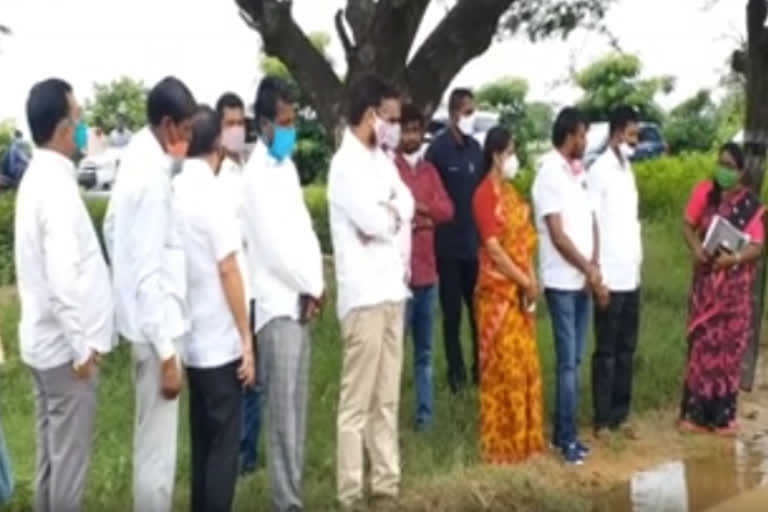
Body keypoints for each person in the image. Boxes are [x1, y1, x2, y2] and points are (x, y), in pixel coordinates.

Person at [15, 78, 114, 511]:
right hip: (65, 353)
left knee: (51, 464)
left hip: (43, 346)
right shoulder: (54, 188)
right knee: (68, 469)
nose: (83, 126)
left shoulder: (38, 178)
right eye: (77, 118)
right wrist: (82, 348)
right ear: (60, 128)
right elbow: (62, 278)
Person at [103, 76, 197, 512]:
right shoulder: (151, 180)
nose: (190, 139)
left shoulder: (135, 165)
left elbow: (111, 233)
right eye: (187, 130)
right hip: (157, 332)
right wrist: (166, 354)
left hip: (144, 324)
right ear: (167, 125)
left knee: (150, 448)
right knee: (158, 459)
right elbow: (147, 275)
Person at [328, 75, 414, 510]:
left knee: (387, 398)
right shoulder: (345, 165)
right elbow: (373, 221)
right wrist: (389, 216)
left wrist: (391, 214)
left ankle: (385, 485)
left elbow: (407, 204)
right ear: (370, 116)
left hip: (392, 290)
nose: (395, 128)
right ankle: (349, 493)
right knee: (356, 404)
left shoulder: (382, 160)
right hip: (363, 298)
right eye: (391, 119)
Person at [240, 77, 325, 511]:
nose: (291, 130)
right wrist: (308, 284)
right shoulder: (254, 177)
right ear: (265, 123)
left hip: (300, 303)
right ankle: (286, 504)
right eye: (285, 122)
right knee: (282, 421)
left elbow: (304, 232)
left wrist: (318, 286)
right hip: (276, 306)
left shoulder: (286, 169)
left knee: (298, 412)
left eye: (294, 120)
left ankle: (293, 499)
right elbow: (272, 248)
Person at [173, 105, 256, 512]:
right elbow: (228, 268)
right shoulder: (212, 193)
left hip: (189, 342)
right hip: (220, 343)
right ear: (219, 147)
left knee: (202, 444)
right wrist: (246, 338)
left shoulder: (175, 190)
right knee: (224, 447)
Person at [532, 106, 602, 465]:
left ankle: (566, 431)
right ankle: (566, 437)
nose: (585, 140)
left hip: (583, 280)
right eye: (582, 134)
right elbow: (557, 235)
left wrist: (595, 267)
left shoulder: (579, 174)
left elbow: (591, 221)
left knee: (575, 358)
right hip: (562, 281)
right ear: (568, 135)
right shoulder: (549, 173)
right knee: (568, 364)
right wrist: (587, 268)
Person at [679, 143, 764, 436]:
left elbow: (756, 246)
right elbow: (688, 225)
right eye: (721, 164)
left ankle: (723, 416)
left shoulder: (750, 205)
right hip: (706, 285)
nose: (723, 171)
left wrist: (734, 259)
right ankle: (695, 414)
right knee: (703, 347)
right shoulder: (704, 193)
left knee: (728, 351)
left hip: (734, 293)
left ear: (740, 173)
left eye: (730, 166)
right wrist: (695, 250)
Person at [472, 126, 545, 464]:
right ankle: (503, 446)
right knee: (504, 370)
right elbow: (495, 249)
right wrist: (522, 281)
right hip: (497, 297)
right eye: (511, 152)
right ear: (497, 155)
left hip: (520, 297)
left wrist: (531, 279)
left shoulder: (513, 196)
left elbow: (525, 242)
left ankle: (527, 442)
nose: (514, 158)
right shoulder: (484, 196)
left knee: (526, 366)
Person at [394, 103, 454, 430]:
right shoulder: (391, 169)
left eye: (416, 130)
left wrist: (420, 210)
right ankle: (389, 418)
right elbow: (393, 210)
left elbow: (448, 210)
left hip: (428, 274)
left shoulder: (429, 171)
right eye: (406, 129)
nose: (411, 136)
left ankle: (425, 417)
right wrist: (419, 214)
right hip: (400, 278)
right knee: (395, 355)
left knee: (425, 354)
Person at [214, 91, 263, 475]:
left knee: (252, 378)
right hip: (226, 291)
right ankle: (232, 452)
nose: (236, 130)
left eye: (240, 123)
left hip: (251, 286)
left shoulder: (247, 169)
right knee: (233, 375)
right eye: (229, 123)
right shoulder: (215, 177)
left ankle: (247, 453)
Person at [587, 106, 643, 438]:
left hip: (631, 272)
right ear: (617, 133)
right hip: (609, 274)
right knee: (606, 350)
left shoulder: (627, 170)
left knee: (626, 349)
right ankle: (603, 418)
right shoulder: (600, 171)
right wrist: (598, 275)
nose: (635, 141)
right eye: (632, 134)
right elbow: (593, 222)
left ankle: (621, 414)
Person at [425, 88, 484, 393]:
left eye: (474, 112)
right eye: (466, 112)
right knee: (452, 317)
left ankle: (480, 370)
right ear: (453, 114)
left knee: (478, 313)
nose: (470, 118)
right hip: (447, 249)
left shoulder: (476, 150)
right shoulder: (437, 151)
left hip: (474, 246)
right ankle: (456, 377)